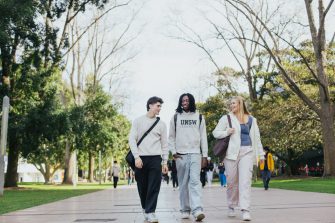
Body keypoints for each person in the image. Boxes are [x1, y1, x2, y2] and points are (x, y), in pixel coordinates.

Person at [213, 96, 265, 221]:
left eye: (234, 103)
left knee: (245, 182)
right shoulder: (226, 118)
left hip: (247, 152)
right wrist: (226, 132)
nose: (231, 105)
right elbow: (215, 132)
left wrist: (261, 155)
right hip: (231, 155)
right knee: (231, 182)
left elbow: (257, 138)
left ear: (240, 104)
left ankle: (245, 210)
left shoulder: (252, 119)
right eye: (230, 104)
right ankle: (231, 206)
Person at [168, 93, 208, 221]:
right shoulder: (175, 117)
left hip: (196, 153)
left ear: (191, 101)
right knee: (183, 183)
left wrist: (205, 156)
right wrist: (173, 151)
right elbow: (171, 137)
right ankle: (185, 209)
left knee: (195, 182)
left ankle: (197, 210)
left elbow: (203, 138)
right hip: (180, 155)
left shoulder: (200, 117)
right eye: (182, 100)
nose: (185, 102)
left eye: (187, 100)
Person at [128, 96, 169, 223]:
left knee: (154, 186)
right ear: (150, 105)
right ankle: (145, 208)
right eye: (158, 106)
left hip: (156, 159)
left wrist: (165, 161)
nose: (159, 108)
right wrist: (136, 157)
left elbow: (164, 144)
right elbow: (132, 140)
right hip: (140, 158)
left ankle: (151, 212)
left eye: (160, 106)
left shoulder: (162, 124)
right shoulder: (138, 121)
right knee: (142, 186)